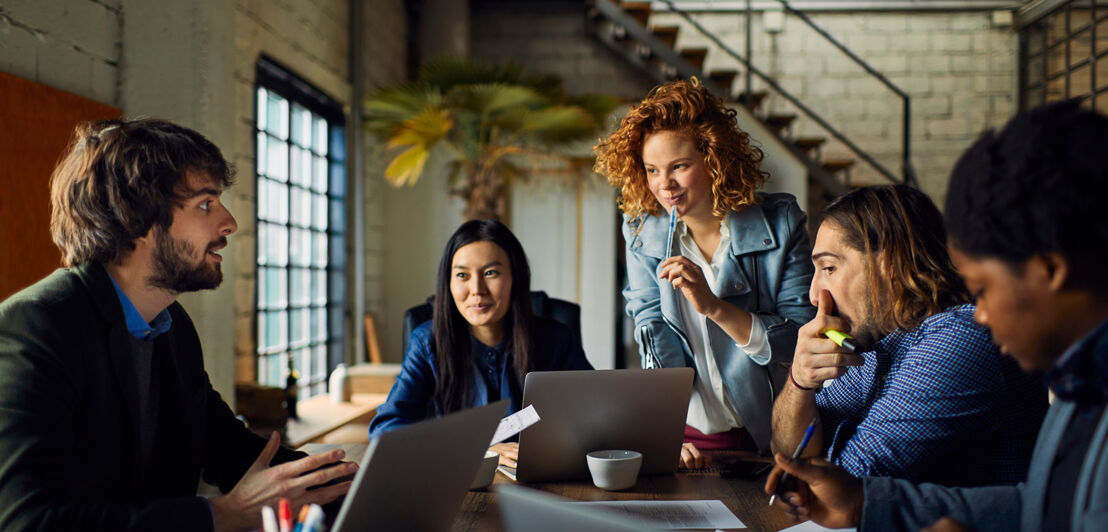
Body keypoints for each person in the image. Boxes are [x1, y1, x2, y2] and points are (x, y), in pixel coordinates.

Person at [765, 100, 1108, 531]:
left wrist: (856, 492)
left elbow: (844, 469)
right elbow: (1044, 507)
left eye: (983, 290)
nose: (980, 314)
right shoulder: (1078, 379)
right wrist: (800, 382)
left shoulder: (961, 335)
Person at [0, 119, 356, 532]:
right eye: (206, 204)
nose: (229, 224)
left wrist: (346, 482)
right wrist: (221, 514)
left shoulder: (170, 325)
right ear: (134, 219)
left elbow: (229, 448)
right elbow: (26, 521)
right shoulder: (34, 328)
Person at [593, 78, 816, 468]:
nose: (666, 185)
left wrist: (713, 306)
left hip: (776, 437)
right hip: (689, 440)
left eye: (679, 166)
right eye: (652, 170)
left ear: (714, 159)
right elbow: (650, 331)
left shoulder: (781, 224)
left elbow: (798, 341)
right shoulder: (642, 232)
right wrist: (660, 433)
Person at [771, 185, 1047, 487]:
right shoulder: (882, 344)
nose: (813, 295)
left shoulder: (960, 339)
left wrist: (810, 466)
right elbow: (789, 451)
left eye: (829, 268)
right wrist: (799, 381)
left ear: (889, 265)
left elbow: (847, 483)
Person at [368, 219, 593, 465]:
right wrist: (479, 447)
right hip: (459, 481)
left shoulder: (556, 339)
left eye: (490, 273)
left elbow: (595, 415)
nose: (477, 289)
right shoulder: (427, 342)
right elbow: (385, 431)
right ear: (449, 283)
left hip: (541, 475)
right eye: (462, 275)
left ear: (515, 278)